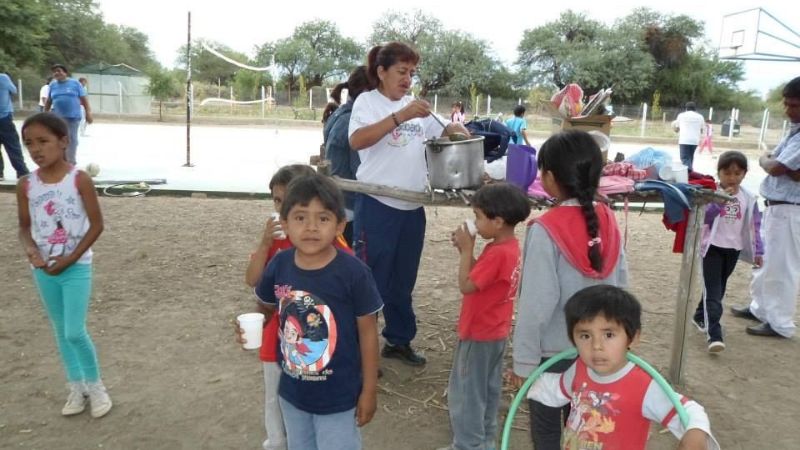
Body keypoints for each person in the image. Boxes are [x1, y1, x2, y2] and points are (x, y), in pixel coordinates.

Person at [348, 42, 470, 366]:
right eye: (401, 71)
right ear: (382, 72)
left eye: (411, 72)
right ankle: (363, 352)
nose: (407, 78)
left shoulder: (417, 108)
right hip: (377, 205)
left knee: (402, 282)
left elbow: (447, 131)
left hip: (411, 208)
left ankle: (399, 340)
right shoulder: (368, 103)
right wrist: (399, 116)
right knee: (370, 279)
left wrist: (458, 130)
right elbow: (357, 140)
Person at [511, 130, 628, 450]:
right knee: (588, 433)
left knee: (548, 433)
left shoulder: (546, 230)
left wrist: (523, 361)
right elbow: (623, 290)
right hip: (601, 353)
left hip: (553, 358)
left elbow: (536, 304)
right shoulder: (608, 219)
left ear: (548, 177)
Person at [254, 173, 382, 450]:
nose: (311, 227)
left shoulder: (353, 273)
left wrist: (369, 390)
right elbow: (264, 306)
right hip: (292, 393)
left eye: (322, 218)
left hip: (338, 396)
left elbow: (369, 333)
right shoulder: (279, 264)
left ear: (339, 225)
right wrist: (249, 326)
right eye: (300, 218)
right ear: (285, 223)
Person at [528, 285, 720, 450]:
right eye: (585, 336)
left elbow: (688, 409)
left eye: (609, 335)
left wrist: (695, 433)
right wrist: (529, 381)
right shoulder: (579, 368)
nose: (596, 346)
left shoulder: (642, 385)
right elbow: (554, 388)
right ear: (573, 339)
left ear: (633, 337)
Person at [15, 112, 111, 418]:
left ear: (64, 141)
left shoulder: (79, 179)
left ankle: (96, 386)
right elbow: (24, 227)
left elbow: (96, 225)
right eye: (29, 143)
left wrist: (71, 257)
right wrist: (31, 250)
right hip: (43, 270)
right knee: (60, 331)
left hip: (76, 267)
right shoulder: (26, 184)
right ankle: (76, 386)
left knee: (73, 331)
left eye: (43, 141)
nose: (36, 149)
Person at [438, 183, 531, 450]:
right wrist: (465, 252)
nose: (476, 224)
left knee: (466, 393)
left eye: (479, 216)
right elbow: (482, 279)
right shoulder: (509, 247)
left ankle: (467, 445)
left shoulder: (498, 252)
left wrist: (467, 250)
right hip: (496, 332)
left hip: (478, 333)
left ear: (498, 221)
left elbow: (467, 285)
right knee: (488, 391)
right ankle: (485, 440)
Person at [731, 76, 800, 338]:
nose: (788, 110)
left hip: (791, 209)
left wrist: (768, 160)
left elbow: (775, 165)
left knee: (782, 267)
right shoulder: (795, 131)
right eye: (787, 104)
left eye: (794, 105)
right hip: (778, 206)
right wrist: (776, 163)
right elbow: (784, 168)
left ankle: (780, 322)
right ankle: (760, 308)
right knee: (764, 261)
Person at [692, 151, 763, 352]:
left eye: (737, 173)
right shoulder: (711, 194)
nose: (732, 178)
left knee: (718, 289)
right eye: (727, 173)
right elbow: (704, 218)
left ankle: (699, 316)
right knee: (714, 293)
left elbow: (755, 225)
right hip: (712, 248)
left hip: (733, 250)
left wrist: (759, 250)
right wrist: (720, 202)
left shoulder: (748, 198)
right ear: (719, 173)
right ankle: (714, 334)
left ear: (744, 174)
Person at [323, 66, 371, 245]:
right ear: (367, 92)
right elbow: (359, 170)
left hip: (336, 198)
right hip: (350, 208)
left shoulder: (339, 112)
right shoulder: (354, 121)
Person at [45, 64, 92, 165]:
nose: (57, 73)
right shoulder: (53, 85)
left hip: (73, 117)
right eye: (54, 72)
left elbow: (84, 99)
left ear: (65, 72)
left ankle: (70, 161)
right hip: (58, 118)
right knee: (59, 139)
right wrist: (44, 115)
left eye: (59, 71)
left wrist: (88, 113)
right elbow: (49, 101)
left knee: (71, 139)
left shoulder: (75, 83)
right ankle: (61, 160)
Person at [0, 69, 30, 181]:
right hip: (4, 117)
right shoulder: (3, 77)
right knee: (13, 146)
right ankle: (22, 171)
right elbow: (14, 90)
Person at [671, 102, 705, 171]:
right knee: (690, 157)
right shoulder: (700, 116)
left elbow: (677, 128)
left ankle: (688, 171)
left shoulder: (681, 115)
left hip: (684, 140)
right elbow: (702, 129)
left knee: (684, 158)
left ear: (686, 108)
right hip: (695, 141)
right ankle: (690, 174)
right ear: (695, 109)